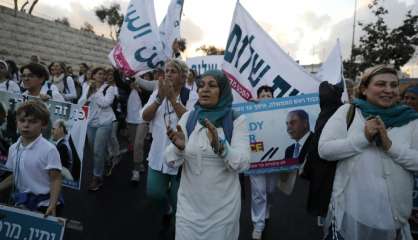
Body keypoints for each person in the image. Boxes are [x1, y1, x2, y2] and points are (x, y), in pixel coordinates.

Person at [319, 65, 418, 240]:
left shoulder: (411, 120)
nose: (388, 90)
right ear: (364, 88)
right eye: (381, 84)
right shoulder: (348, 112)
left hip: (393, 220)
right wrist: (363, 139)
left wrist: (390, 147)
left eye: (394, 85)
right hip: (351, 216)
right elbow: (325, 150)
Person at [165, 70, 250, 240]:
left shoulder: (236, 120)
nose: (204, 90)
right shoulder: (189, 118)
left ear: (223, 90)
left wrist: (222, 148)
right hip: (188, 211)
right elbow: (170, 161)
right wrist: (179, 148)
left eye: (212, 86)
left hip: (222, 213)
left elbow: (243, 163)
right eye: (201, 85)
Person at [141, 59, 198, 237]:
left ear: (183, 77)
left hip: (182, 158)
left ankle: (179, 228)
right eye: (166, 71)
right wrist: (159, 99)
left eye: (173, 71)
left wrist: (173, 99)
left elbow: (192, 122)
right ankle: (167, 209)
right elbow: (145, 116)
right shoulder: (158, 93)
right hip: (158, 155)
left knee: (179, 200)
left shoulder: (191, 96)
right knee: (154, 193)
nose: (168, 74)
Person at [0, 100, 63, 216]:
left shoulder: (49, 150)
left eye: (33, 121)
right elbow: (16, 175)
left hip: (45, 204)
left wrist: (52, 204)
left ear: (43, 124)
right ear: (16, 122)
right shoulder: (13, 148)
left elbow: (56, 179)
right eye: (22, 120)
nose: (26, 125)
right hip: (22, 201)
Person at [78, 67, 117, 191]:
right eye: (98, 74)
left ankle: (97, 177)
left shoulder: (109, 88)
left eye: (103, 74)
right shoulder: (87, 87)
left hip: (105, 122)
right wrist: (88, 93)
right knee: (95, 149)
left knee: (97, 151)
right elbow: (81, 103)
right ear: (93, 76)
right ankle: (107, 160)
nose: (101, 76)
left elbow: (105, 103)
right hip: (90, 123)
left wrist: (95, 93)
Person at [249, 85, 277, 240]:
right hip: (256, 158)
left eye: (269, 95)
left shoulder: (280, 112)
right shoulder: (251, 110)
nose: (266, 97)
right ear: (258, 97)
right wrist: (251, 108)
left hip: (274, 159)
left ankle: (267, 208)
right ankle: (258, 225)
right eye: (263, 95)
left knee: (270, 190)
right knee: (258, 192)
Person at [277, 109, 314, 195]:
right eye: (287, 124)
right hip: (293, 199)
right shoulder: (289, 150)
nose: (288, 127)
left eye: (293, 122)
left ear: (305, 123)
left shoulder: (316, 142)